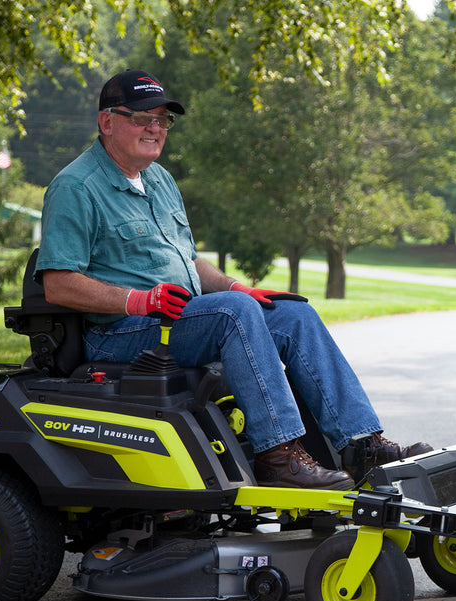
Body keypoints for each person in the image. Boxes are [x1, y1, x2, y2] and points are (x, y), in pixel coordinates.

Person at [36, 69, 430, 491]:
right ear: (107, 121)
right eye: (141, 118)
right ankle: (279, 457)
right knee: (233, 314)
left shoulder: (160, 180)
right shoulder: (76, 187)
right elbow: (58, 283)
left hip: (178, 320)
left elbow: (186, 260)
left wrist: (234, 287)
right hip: (119, 333)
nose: (154, 128)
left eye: (162, 120)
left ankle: (362, 445)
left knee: (291, 313)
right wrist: (139, 300)